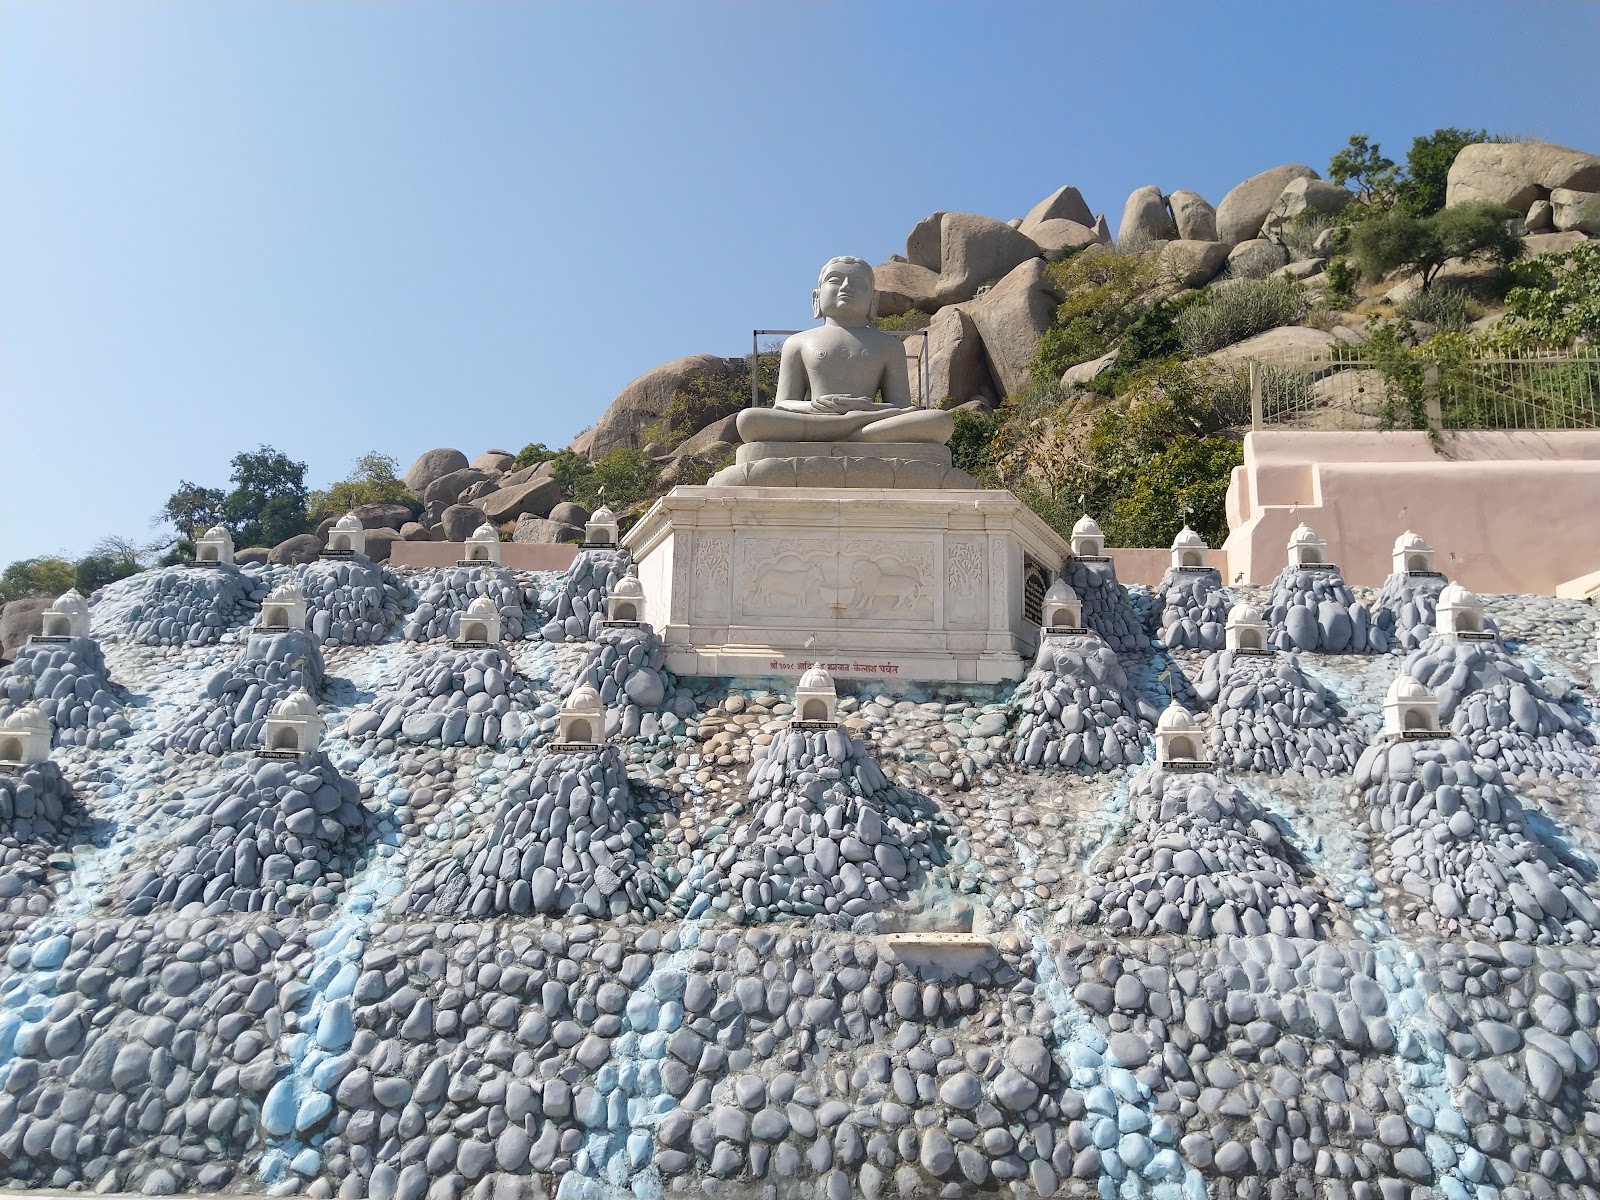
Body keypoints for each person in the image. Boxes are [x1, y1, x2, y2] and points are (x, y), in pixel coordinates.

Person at [735, 257, 954, 444]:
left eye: (857, 281)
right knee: (749, 420)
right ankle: (856, 435)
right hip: (819, 418)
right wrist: (814, 407)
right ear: (816, 297)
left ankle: (843, 433)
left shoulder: (889, 345)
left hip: (861, 419)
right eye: (835, 280)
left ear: (873, 300)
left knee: (940, 421)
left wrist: (865, 408)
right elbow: (783, 404)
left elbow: (901, 406)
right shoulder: (797, 342)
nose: (846, 287)